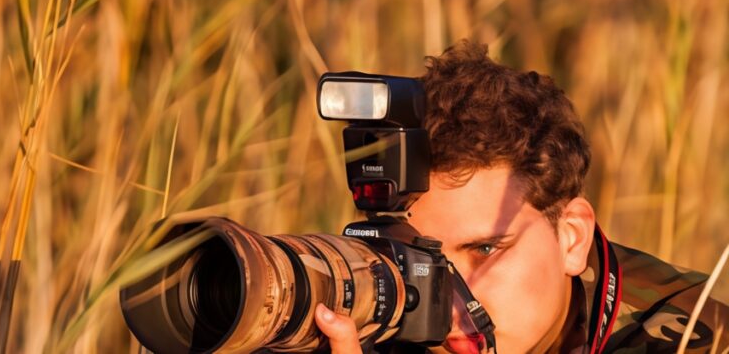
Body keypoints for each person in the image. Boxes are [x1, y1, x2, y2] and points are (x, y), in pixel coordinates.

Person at [312, 40, 729, 353]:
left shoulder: (700, 336)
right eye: (415, 262)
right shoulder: (377, 326)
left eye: (485, 250)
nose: (449, 310)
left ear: (572, 238)